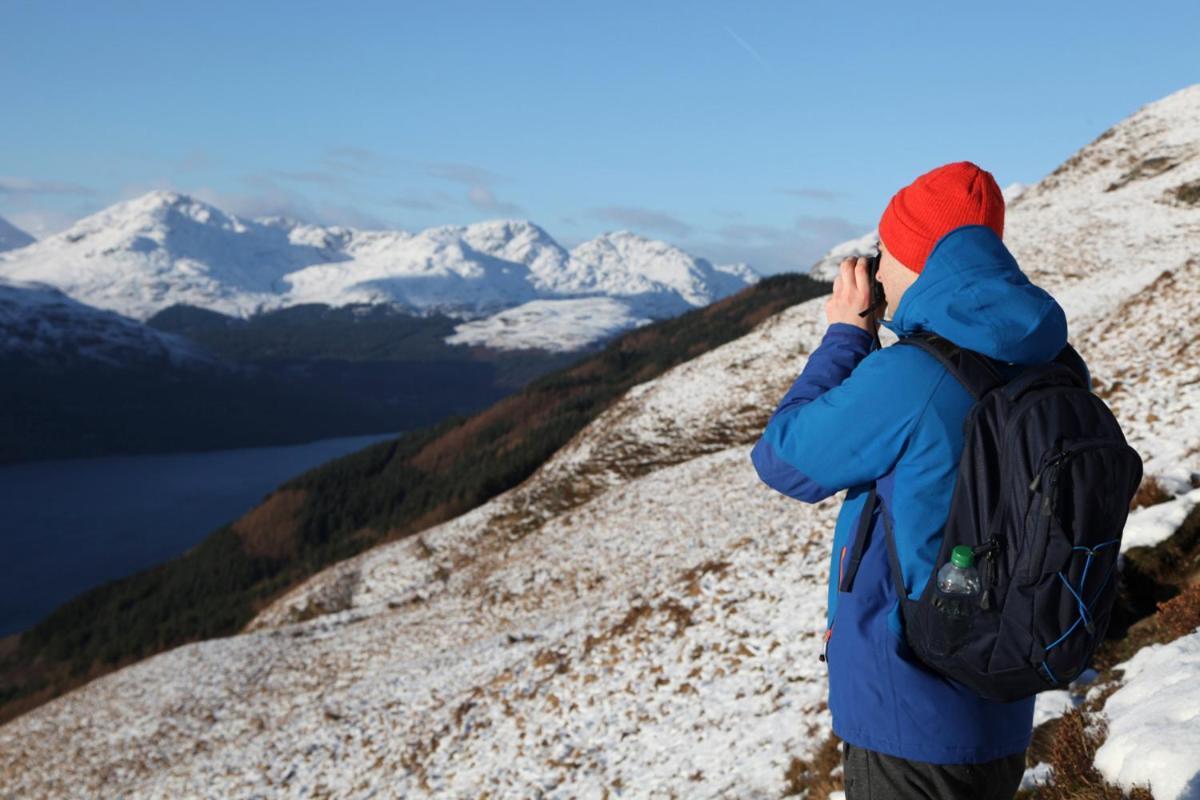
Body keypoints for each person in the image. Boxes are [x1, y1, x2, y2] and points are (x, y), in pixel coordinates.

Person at [751, 161, 1072, 799]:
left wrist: (846, 334)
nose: (878, 269)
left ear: (918, 258)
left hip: (909, 705)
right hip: (1004, 692)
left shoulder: (912, 376)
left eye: (885, 251)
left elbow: (784, 459)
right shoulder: (1053, 362)